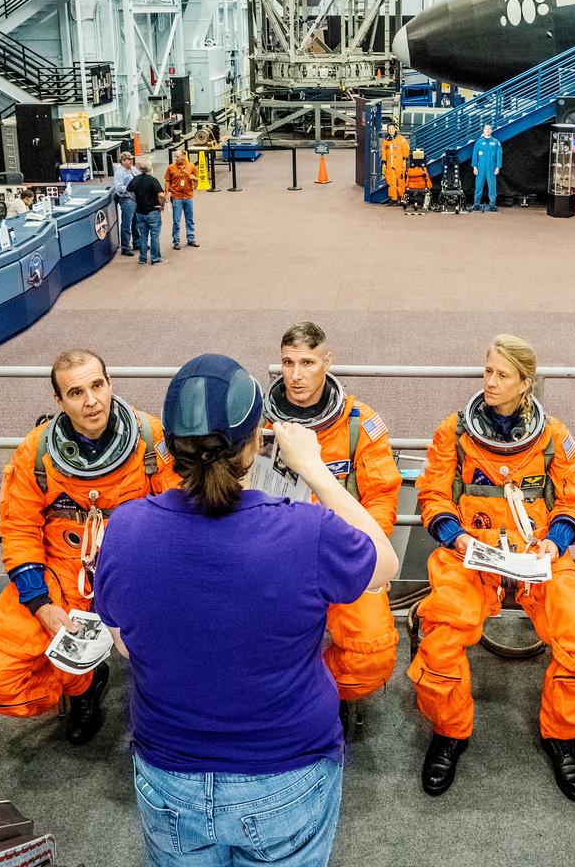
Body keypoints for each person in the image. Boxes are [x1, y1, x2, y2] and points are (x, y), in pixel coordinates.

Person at [93, 354, 399, 867]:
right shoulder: (306, 531)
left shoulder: (126, 528)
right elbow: (384, 563)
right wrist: (315, 470)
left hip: (170, 772)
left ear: (168, 446)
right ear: (255, 443)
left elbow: (123, 638)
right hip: (286, 770)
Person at [408, 335, 575, 801]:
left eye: (502, 375)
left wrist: (554, 546)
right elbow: (433, 496)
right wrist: (454, 536)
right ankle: (450, 733)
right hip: (470, 553)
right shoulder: (454, 433)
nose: (490, 382)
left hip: (539, 555)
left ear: (526, 383)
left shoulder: (554, 436)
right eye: (487, 371)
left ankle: (561, 734)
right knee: (440, 638)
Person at [0, 349, 176, 744]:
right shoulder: (37, 454)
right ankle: (81, 685)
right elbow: (19, 530)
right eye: (76, 392)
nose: (92, 401)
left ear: (110, 383)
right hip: (64, 573)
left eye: (98, 386)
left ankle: (171, 706)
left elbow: (181, 513)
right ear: (59, 401)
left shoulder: (150, 439)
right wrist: (40, 604)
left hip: (138, 569)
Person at [265, 323, 401, 716]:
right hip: (275, 558)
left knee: (370, 654)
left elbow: (380, 498)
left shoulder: (360, 423)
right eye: (288, 362)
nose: (295, 375)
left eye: (307, 362)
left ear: (327, 361)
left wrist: (365, 554)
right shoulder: (259, 424)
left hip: (340, 557)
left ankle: (325, 693)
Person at [132, 157, 165, 265]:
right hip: (152, 211)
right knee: (154, 235)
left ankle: (142, 258)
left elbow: (129, 190)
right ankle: (155, 259)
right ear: (150, 169)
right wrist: (161, 205)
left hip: (140, 212)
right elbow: (161, 195)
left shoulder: (135, 179)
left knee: (143, 236)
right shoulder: (152, 180)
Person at [165, 149, 199, 250]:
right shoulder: (171, 168)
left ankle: (191, 239)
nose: (176, 159)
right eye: (175, 157)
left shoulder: (191, 166)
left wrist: (194, 179)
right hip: (176, 198)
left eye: (177, 156)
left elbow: (197, 179)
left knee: (189, 219)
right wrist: (167, 193)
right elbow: (167, 181)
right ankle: (176, 241)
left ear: (184, 156)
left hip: (188, 197)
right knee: (176, 220)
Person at [112, 151, 140, 257]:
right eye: (129, 159)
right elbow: (118, 188)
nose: (131, 160)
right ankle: (125, 247)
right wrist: (131, 188)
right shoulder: (119, 173)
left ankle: (137, 243)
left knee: (136, 222)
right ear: (123, 161)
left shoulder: (133, 169)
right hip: (127, 200)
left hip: (136, 198)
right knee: (126, 223)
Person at [472, 123, 502, 211]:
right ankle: (476, 204)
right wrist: (474, 166)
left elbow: (499, 155)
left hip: (491, 167)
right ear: (483, 131)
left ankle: (492, 205)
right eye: (486, 129)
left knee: (492, 186)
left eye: (489, 129)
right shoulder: (478, 142)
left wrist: (498, 167)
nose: (488, 130)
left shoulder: (496, 142)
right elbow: (475, 155)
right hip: (480, 167)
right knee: (478, 185)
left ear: (491, 130)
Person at [380, 121, 410, 205]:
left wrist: (404, 160)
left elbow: (406, 150)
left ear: (395, 129)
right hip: (390, 165)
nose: (390, 131)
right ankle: (393, 199)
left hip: (400, 164)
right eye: (389, 129)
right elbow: (383, 153)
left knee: (401, 182)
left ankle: (403, 200)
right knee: (391, 182)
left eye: (392, 129)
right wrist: (383, 163)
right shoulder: (385, 141)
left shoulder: (401, 139)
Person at [403, 148, 433, 214]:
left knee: (405, 193)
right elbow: (427, 179)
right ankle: (425, 206)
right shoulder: (423, 170)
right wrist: (429, 186)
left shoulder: (409, 170)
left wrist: (405, 187)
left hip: (411, 188)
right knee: (428, 193)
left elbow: (407, 180)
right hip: (422, 187)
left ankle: (406, 203)